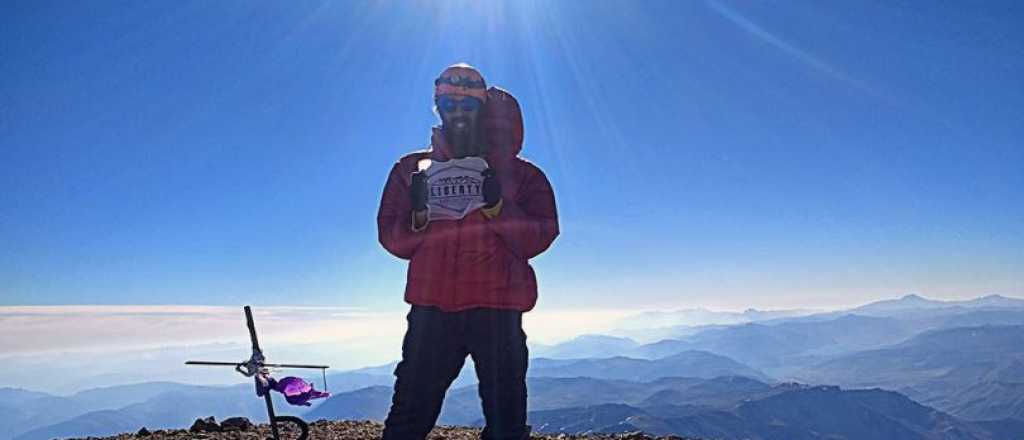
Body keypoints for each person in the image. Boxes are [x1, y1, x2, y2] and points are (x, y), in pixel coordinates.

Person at [376, 63, 559, 440]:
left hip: (496, 309)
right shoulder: (410, 169)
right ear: (438, 108)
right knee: (409, 412)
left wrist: (499, 210)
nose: (457, 113)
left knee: (505, 419)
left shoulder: (524, 176)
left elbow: (541, 237)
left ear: (483, 110)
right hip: (433, 308)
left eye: (468, 105)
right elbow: (394, 243)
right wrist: (418, 218)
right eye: (448, 104)